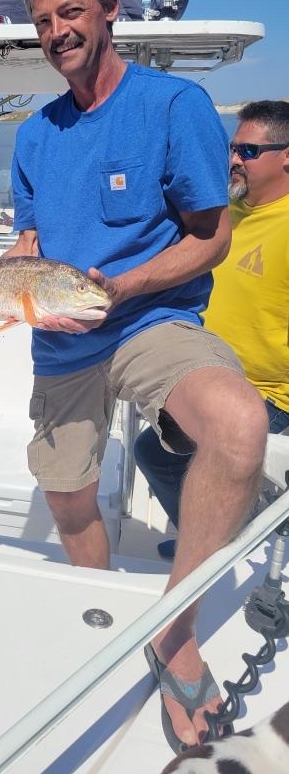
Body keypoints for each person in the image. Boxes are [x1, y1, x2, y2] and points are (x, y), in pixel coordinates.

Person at [0, 0, 268, 753]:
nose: (58, 30)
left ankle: (175, 631)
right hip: (60, 332)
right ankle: (94, 607)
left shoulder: (175, 107)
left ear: (108, 12)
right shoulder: (35, 137)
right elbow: (27, 244)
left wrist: (125, 289)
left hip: (144, 319)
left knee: (238, 425)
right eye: (43, 21)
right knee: (68, 496)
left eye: (70, 12)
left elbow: (209, 239)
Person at [135, 100, 289, 555]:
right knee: (155, 453)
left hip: (267, 395)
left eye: (248, 150)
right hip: (204, 375)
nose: (233, 159)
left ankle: (215, 550)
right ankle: (214, 545)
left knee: (157, 455)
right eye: (232, 148)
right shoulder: (223, 215)